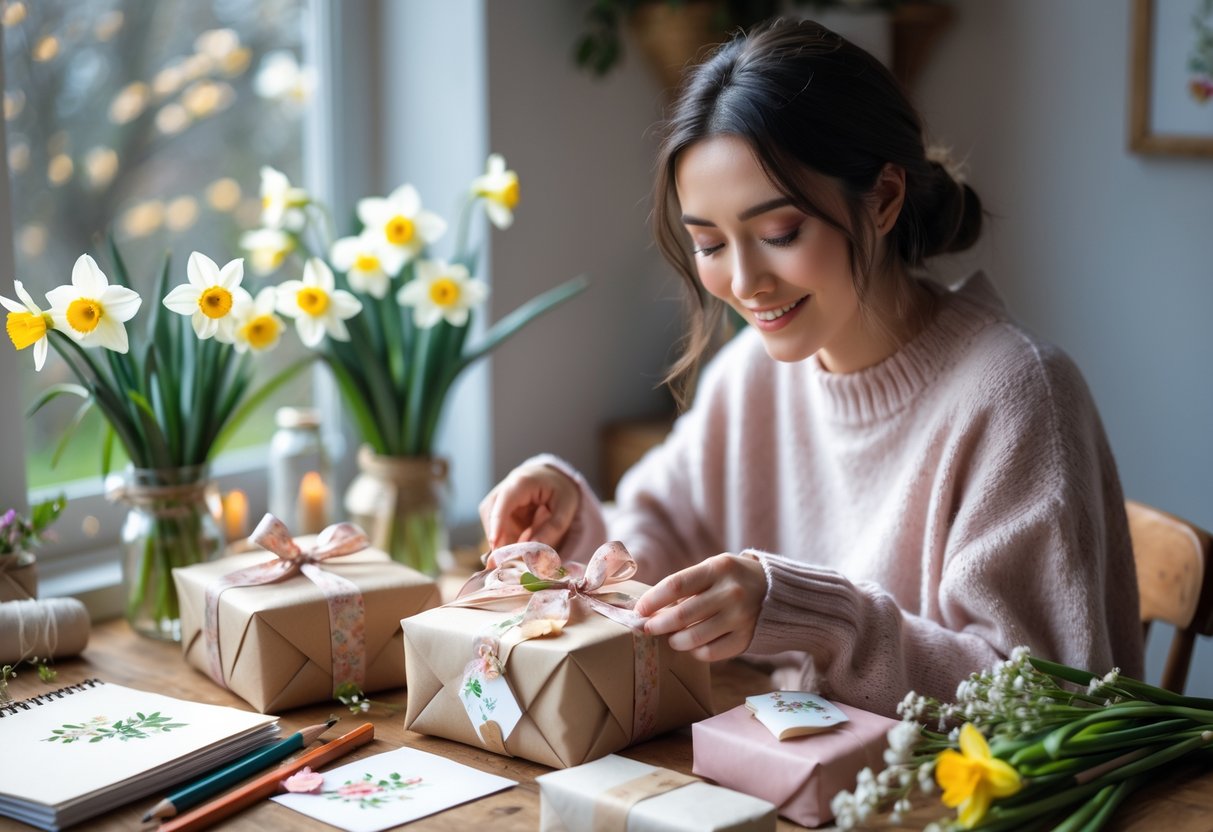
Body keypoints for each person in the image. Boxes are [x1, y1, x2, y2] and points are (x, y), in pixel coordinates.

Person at [478, 18, 1143, 716]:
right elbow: (658, 548)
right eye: (708, 244)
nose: (745, 282)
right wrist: (571, 520)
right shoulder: (751, 375)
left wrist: (816, 616)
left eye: (779, 234)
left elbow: (1044, 699)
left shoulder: (1015, 394)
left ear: (883, 199)